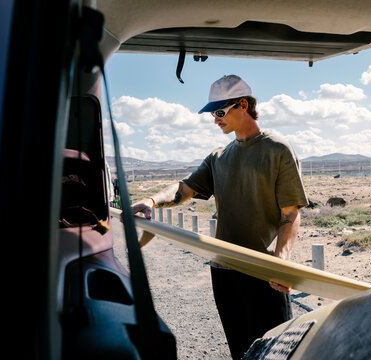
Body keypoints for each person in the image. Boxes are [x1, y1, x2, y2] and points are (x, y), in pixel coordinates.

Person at [131, 75, 308, 359]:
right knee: (240, 351)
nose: (215, 120)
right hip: (224, 271)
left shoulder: (278, 149)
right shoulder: (218, 156)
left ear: (243, 104)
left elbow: (290, 213)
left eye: (219, 112)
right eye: (213, 113)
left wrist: (281, 260)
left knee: (275, 352)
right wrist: (151, 200)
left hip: (264, 273)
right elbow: (184, 188)